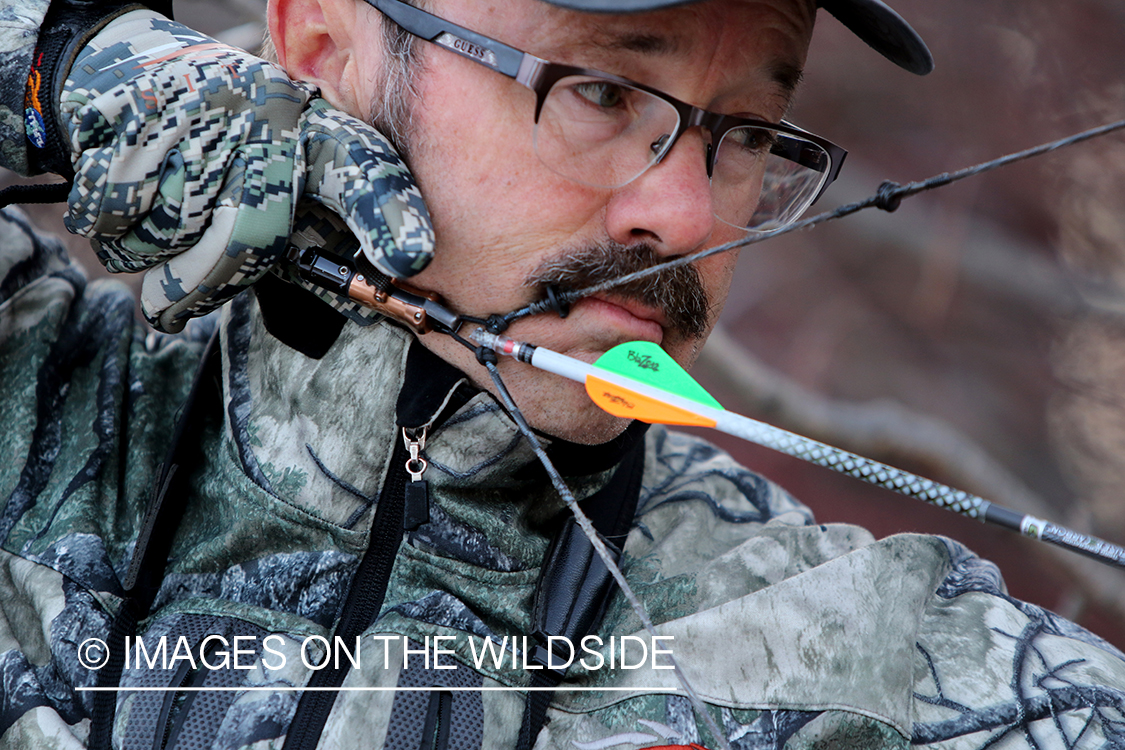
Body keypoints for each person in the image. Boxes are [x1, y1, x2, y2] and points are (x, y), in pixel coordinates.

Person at [0, 1, 1123, 749]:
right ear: (320, 46)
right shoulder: (38, 383)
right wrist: (58, 67)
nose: (684, 215)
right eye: (599, 92)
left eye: (746, 133)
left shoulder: (835, 636)